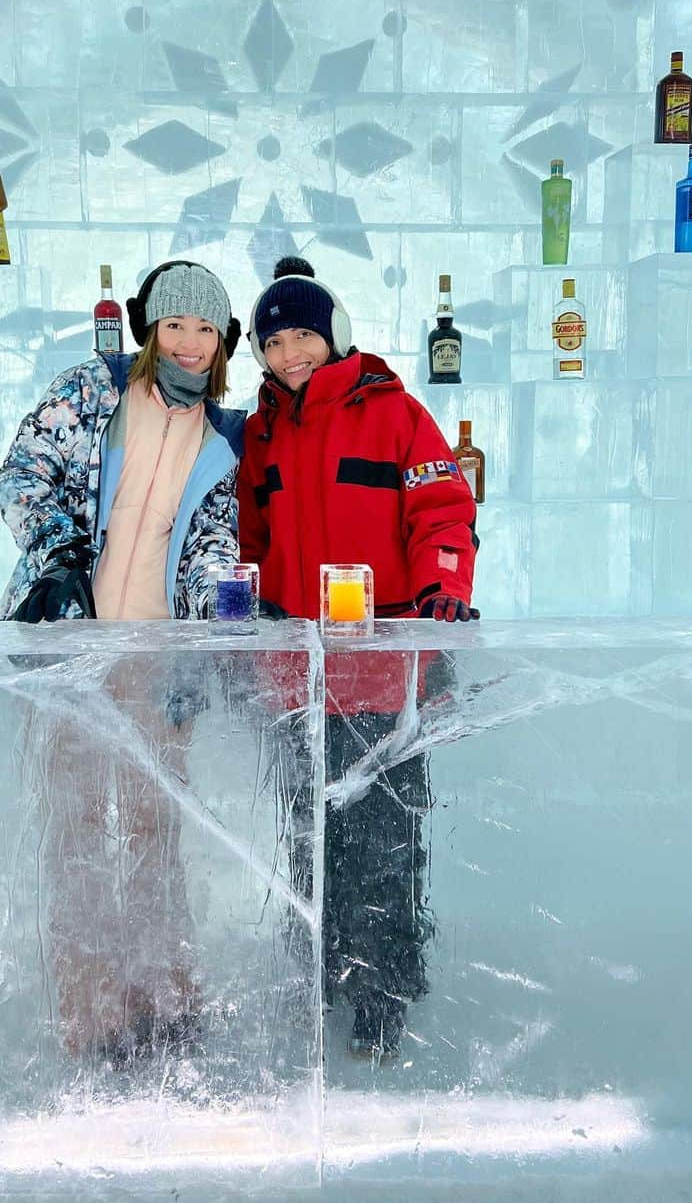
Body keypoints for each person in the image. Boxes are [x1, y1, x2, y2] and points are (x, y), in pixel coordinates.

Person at [0, 259, 245, 1063]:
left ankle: (164, 993)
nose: (191, 343)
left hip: (161, 660)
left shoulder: (223, 439)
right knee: (74, 828)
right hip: (70, 642)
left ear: (224, 340)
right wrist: (60, 553)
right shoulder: (94, 393)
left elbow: (209, 546)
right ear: (150, 329)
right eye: (176, 324)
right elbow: (23, 471)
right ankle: (89, 1009)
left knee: (153, 830)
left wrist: (225, 610)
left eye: (206, 328)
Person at [237, 256, 479, 1061]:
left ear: (334, 335)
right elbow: (251, 541)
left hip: (385, 678)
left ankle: (383, 991)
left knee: (384, 844)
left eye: (303, 334)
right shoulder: (263, 432)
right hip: (297, 682)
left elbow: (443, 508)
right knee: (311, 841)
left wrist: (443, 588)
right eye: (274, 342)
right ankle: (319, 971)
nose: (289, 354)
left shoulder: (395, 413)